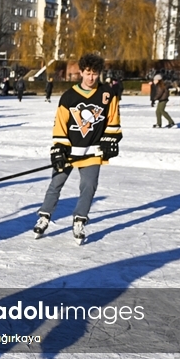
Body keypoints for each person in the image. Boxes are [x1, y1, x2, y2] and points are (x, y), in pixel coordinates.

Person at [33, 53, 121, 243]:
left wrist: (110, 141)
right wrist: (59, 148)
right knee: (56, 183)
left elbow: (113, 120)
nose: (91, 78)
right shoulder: (69, 96)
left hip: (92, 151)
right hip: (69, 150)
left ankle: (80, 219)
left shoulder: (107, 94)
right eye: (88, 73)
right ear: (81, 72)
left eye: (95, 74)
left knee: (88, 186)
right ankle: (44, 217)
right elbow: (60, 124)